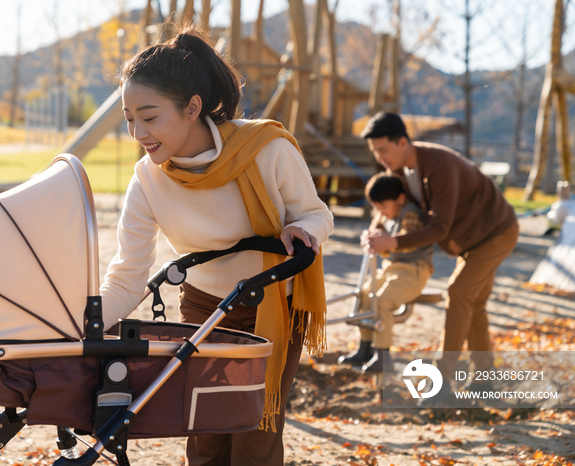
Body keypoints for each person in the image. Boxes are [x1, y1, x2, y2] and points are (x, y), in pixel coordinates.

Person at [100, 28, 334, 466]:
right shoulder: (148, 180)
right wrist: (85, 321)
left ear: (192, 107)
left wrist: (303, 231)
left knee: (253, 434)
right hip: (205, 307)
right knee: (205, 432)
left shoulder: (266, 149)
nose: (137, 132)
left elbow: (318, 214)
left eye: (149, 117)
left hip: (273, 306)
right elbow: (128, 274)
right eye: (129, 118)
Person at [359, 112, 518, 401]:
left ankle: (442, 381)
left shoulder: (440, 165)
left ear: (404, 142)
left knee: (458, 293)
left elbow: (439, 227)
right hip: (471, 239)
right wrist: (374, 232)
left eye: (383, 150)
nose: (380, 158)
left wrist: (393, 241)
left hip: (496, 232)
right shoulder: (398, 172)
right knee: (473, 304)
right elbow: (386, 209)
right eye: (375, 152)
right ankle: (485, 378)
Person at [337, 172, 433, 373]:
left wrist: (385, 244)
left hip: (414, 270)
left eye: (383, 206)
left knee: (382, 300)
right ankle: (365, 347)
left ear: (399, 199)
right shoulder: (386, 213)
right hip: (392, 268)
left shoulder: (410, 214)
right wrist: (372, 234)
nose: (380, 211)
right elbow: (377, 232)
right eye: (377, 207)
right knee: (364, 294)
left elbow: (408, 243)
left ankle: (383, 356)